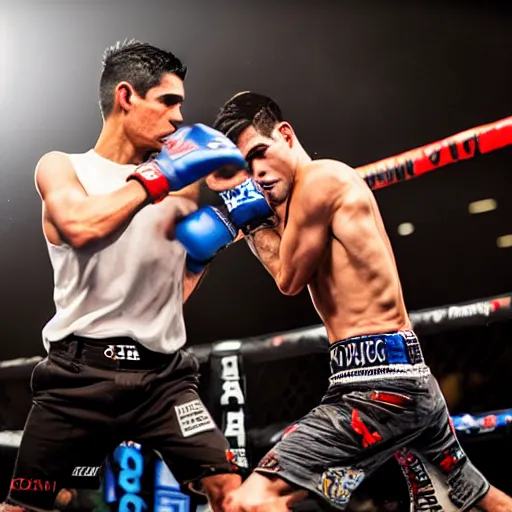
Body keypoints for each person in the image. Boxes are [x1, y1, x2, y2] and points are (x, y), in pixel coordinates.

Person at [177, 91, 512, 512]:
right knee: (477, 500)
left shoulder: (321, 181)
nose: (257, 172)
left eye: (260, 153)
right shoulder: (295, 200)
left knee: (253, 502)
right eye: (246, 166)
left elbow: (288, 278)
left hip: (380, 387)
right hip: (400, 380)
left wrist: (250, 216)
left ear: (285, 134)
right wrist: (241, 209)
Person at [0, 40, 257, 512]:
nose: (179, 117)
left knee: (233, 492)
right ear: (126, 97)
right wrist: (160, 177)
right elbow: (81, 226)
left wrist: (200, 256)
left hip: (164, 382)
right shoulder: (64, 167)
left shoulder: (186, 185)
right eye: (168, 101)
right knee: (28, 506)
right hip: (76, 379)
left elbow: (171, 295)